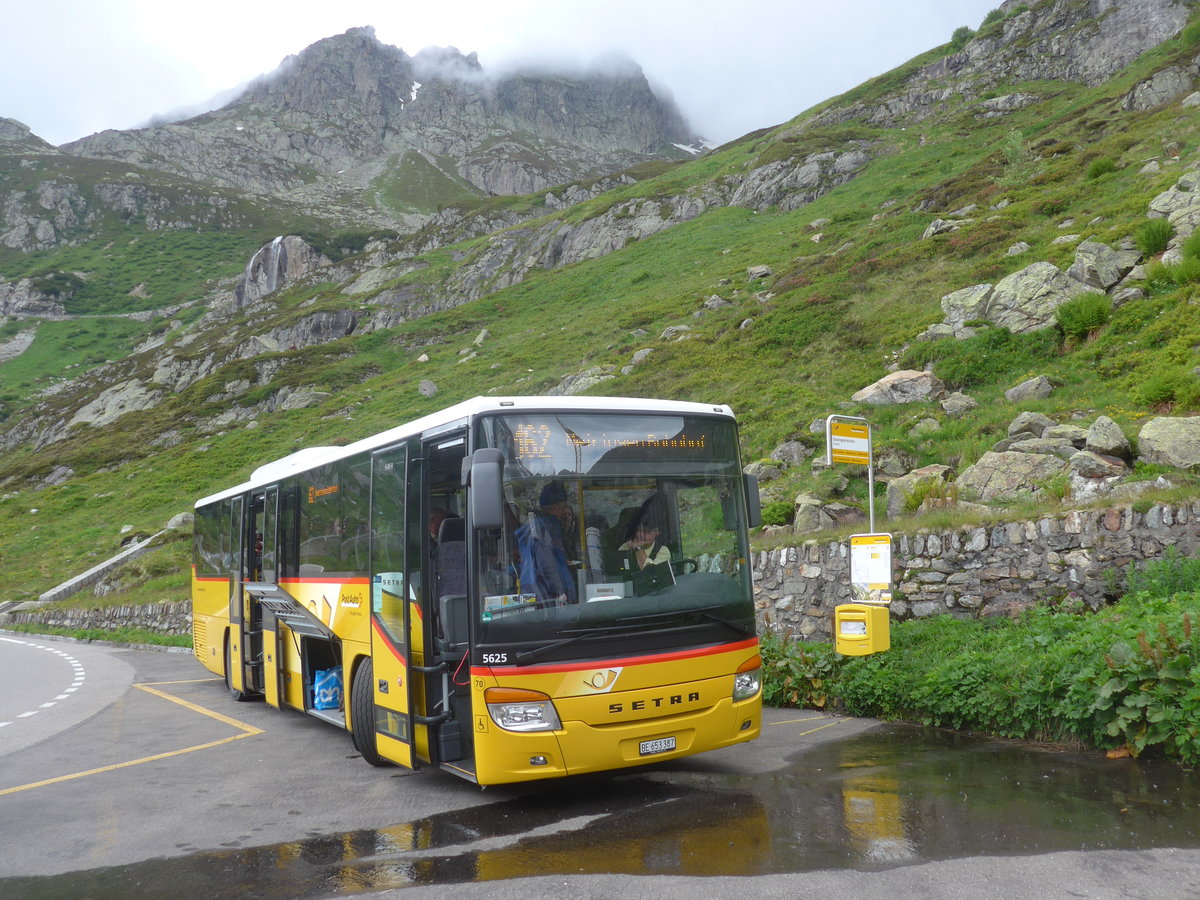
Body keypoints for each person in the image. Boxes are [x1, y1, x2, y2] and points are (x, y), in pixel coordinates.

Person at [514, 480, 577, 604]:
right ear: (554, 508)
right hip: (547, 597)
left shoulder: (540, 527)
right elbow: (546, 563)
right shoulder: (543, 529)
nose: (564, 512)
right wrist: (559, 591)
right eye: (563, 507)